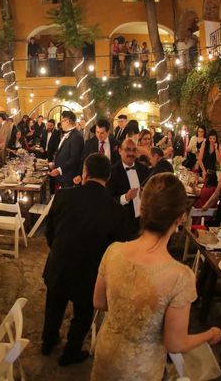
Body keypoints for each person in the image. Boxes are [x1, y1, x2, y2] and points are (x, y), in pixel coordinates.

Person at [91, 174, 221, 380]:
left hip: (107, 353)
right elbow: (175, 343)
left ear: (142, 209)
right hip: (140, 368)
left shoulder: (114, 250)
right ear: (180, 218)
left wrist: (126, 311)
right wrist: (211, 334)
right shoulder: (181, 277)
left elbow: (98, 302)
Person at [42, 154, 133, 366]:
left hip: (60, 263)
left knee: (53, 305)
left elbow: (50, 230)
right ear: (108, 177)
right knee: (82, 315)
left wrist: (57, 250)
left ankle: (47, 342)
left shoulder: (64, 196)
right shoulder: (117, 212)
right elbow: (116, 250)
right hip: (90, 273)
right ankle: (71, 352)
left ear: (85, 172)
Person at [108, 138, 149, 235]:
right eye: (127, 150)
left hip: (143, 220)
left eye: (134, 150)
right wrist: (126, 197)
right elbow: (108, 199)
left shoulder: (143, 169)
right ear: (120, 151)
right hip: (124, 223)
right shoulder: (112, 172)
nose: (131, 153)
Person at [76, 120, 120, 186]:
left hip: (111, 180)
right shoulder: (89, 143)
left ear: (108, 132)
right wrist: (79, 175)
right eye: (97, 132)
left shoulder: (116, 143)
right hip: (93, 180)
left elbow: (118, 161)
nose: (99, 135)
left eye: (102, 133)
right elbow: (83, 160)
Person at [50, 111, 84, 188]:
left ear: (67, 121)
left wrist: (59, 170)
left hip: (68, 177)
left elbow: (74, 159)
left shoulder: (76, 136)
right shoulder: (69, 134)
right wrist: (54, 163)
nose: (61, 123)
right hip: (63, 177)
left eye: (62, 121)